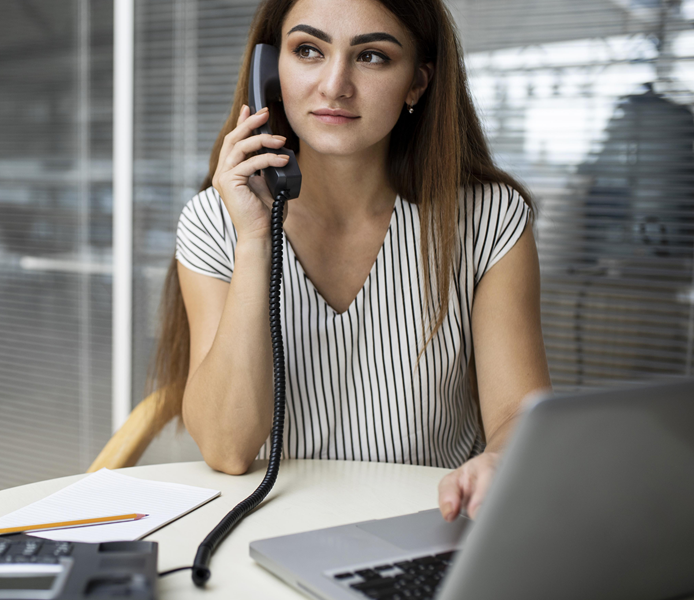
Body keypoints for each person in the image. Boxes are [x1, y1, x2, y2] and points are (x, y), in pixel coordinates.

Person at [150, 0, 552, 523]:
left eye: (372, 57)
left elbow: (517, 416)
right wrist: (254, 238)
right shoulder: (216, 221)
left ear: (418, 83)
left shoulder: (488, 218)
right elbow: (227, 449)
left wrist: (499, 461)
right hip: (269, 532)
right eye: (308, 50)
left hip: (431, 527)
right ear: (269, 74)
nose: (335, 84)